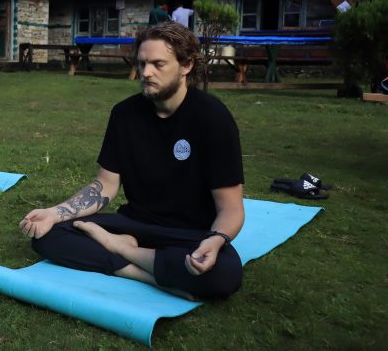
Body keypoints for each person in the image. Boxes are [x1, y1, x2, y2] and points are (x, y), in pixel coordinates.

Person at [19, 21, 245, 301]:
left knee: (225, 273)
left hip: (189, 234)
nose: (146, 73)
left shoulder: (213, 118)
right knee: (49, 235)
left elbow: (232, 209)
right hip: (135, 223)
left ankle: (122, 251)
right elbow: (105, 185)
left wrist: (215, 240)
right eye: (142, 63)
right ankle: (145, 274)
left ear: (186, 66)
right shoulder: (125, 115)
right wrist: (55, 213)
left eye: (158, 64)